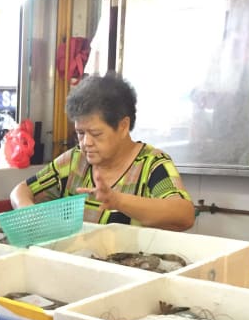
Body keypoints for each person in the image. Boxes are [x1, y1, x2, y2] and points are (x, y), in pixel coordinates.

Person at [10, 73, 195, 231]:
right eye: (80, 133)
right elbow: (21, 191)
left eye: (96, 134)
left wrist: (118, 201)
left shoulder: (152, 165)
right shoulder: (75, 161)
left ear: (123, 126)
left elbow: (184, 214)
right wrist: (27, 211)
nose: (86, 143)